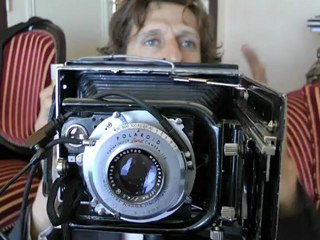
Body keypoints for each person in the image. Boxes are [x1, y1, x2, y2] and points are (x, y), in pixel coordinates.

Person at [9, 0, 310, 239]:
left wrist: (281, 191)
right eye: (152, 40)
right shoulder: (86, 133)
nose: (173, 55)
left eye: (188, 42)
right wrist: (52, 170)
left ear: (205, 61)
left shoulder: (227, 144)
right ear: (121, 56)